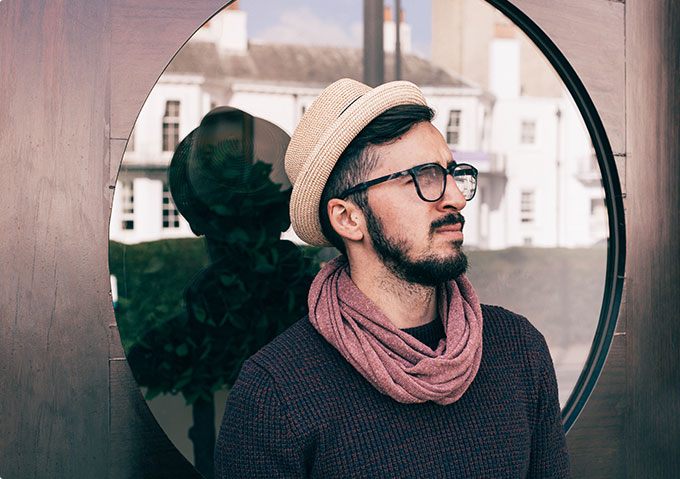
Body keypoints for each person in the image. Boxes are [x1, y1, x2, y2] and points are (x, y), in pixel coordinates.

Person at [214, 78, 571, 478]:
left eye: (452, 173)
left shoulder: (518, 350)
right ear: (348, 218)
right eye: (424, 176)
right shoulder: (276, 394)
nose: (455, 197)